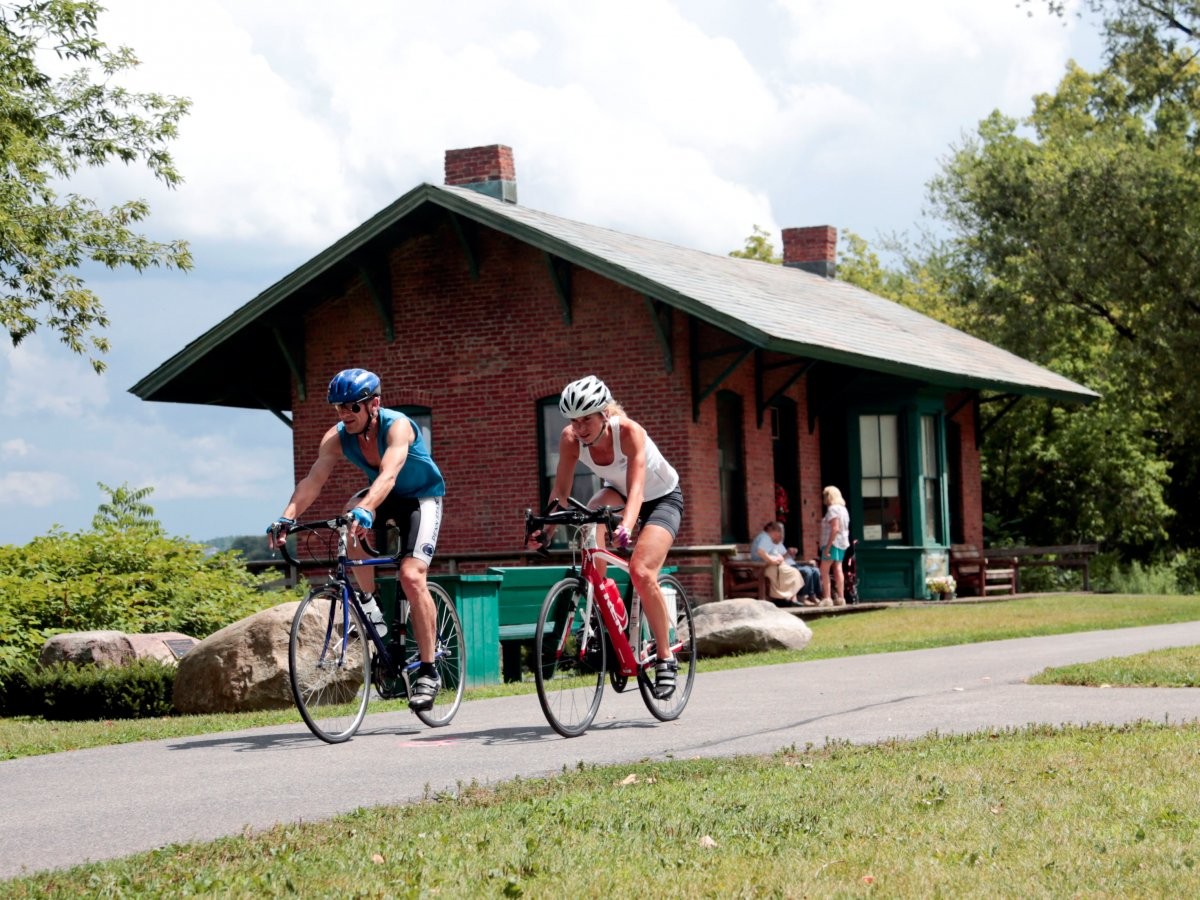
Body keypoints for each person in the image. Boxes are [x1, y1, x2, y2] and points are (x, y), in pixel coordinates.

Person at [266, 368, 447, 712]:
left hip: (420, 498)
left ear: (374, 404)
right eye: (338, 408)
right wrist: (287, 515)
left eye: (352, 407)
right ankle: (370, 605)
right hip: (381, 496)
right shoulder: (337, 437)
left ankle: (428, 670)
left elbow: (390, 472)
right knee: (347, 521)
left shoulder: (398, 425)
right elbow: (314, 479)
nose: (344, 415)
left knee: (410, 576)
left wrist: (366, 507)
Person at [536, 375, 685, 699]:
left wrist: (626, 526)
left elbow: (638, 488)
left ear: (604, 414)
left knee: (642, 571)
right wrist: (545, 530)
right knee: (590, 518)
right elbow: (561, 491)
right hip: (615, 493)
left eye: (586, 419)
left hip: (661, 497)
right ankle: (596, 610)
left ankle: (665, 656)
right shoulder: (570, 439)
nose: (580, 428)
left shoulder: (628, 431)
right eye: (574, 421)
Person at [750, 521, 822, 606]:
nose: (779, 536)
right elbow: (761, 551)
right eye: (778, 533)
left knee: (811, 570)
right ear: (772, 531)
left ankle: (808, 596)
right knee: (798, 572)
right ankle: (797, 597)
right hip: (765, 567)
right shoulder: (765, 537)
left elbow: (772, 553)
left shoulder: (767, 538)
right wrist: (772, 560)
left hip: (772, 565)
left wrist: (782, 556)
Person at [819, 485, 851, 607]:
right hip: (842, 543)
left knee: (824, 569)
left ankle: (827, 597)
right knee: (838, 568)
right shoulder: (843, 509)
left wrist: (827, 546)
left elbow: (835, 528)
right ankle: (841, 598)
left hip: (832, 543)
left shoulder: (832, 509)